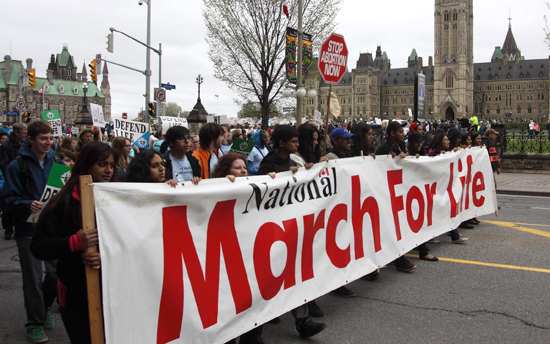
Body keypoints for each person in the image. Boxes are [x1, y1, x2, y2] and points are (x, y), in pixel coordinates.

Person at [30, 142, 118, 344]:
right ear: (86, 165)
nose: (108, 170)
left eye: (112, 165)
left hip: (113, 290)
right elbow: (38, 246)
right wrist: (74, 242)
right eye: (102, 164)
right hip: (76, 293)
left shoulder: (117, 198)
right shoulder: (65, 202)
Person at [257, 125, 327, 340]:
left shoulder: (292, 162)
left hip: (291, 226)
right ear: (281, 143)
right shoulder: (268, 163)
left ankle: (303, 321)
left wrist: (307, 171)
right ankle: (258, 323)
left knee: (294, 273)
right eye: (294, 142)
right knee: (270, 277)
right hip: (272, 228)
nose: (297, 145)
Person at [0, 120, 58, 343]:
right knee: (32, 278)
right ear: (31, 139)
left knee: (55, 272)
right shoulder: (17, 166)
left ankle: (43, 307)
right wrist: (26, 204)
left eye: (51, 138)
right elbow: (7, 199)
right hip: (27, 230)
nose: (48, 142)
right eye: (43, 138)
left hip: (51, 229)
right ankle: (34, 322)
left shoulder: (57, 163)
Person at [375, 121, 420, 271]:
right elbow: (379, 169)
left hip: (398, 193)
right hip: (386, 194)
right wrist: (394, 160)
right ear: (392, 133)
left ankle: (394, 257)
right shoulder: (383, 150)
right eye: (400, 132)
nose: (403, 134)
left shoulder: (401, 147)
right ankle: (399, 260)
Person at [428, 133, 469, 243]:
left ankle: (454, 235)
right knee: (437, 212)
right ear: (440, 142)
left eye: (448, 139)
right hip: (436, 189)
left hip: (445, 189)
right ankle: (430, 236)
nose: (448, 142)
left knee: (450, 209)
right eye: (445, 140)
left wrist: (461, 151)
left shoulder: (448, 153)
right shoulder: (433, 153)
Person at [0, 122, 27, 240]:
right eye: (24, 133)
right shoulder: (6, 146)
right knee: (9, 205)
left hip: (23, 178)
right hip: (11, 177)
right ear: (16, 133)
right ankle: (8, 228)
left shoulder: (25, 144)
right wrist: (14, 171)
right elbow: (3, 163)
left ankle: (18, 227)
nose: (25, 136)